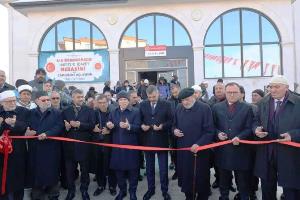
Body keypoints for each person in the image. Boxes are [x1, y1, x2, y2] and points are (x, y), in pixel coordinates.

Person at [254, 75, 300, 200]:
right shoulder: (263, 102)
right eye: (271, 87)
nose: (272, 90)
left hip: (290, 154)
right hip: (267, 152)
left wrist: (293, 135)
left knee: (291, 189)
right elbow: (255, 121)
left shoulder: (298, 102)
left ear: (286, 88)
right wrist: (256, 129)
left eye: (277, 87)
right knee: (267, 187)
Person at [212, 82, 254, 200]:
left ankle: (244, 196)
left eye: (234, 92)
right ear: (225, 93)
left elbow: (249, 128)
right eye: (229, 92)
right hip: (223, 152)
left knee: (242, 182)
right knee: (224, 181)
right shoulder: (216, 107)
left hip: (241, 151)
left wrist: (240, 137)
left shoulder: (247, 108)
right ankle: (224, 196)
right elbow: (212, 126)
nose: (231, 95)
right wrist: (218, 133)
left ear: (240, 93)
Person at [173, 88, 214, 200]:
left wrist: (199, 144)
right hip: (183, 151)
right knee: (186, 177)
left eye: (187, 99)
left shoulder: (205, 108)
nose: (185, 102)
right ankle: (188, 196)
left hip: (199, 151)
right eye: (182, 100)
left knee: (200, 178)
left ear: (194, 96)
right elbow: (174, 125)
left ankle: (202, 196)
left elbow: (210, 131)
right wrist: (175, 131)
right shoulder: (179, 108)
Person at [27, 91, 64, 200]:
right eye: (44, 100)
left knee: (52, 170)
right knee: (36, 170)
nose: (47, 102)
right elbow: (26, 126)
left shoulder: (57, 112)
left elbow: (59, 126)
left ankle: (53, 193)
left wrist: (47, 134)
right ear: (37, 101)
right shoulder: (31, 113)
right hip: (36, 148)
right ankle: (37, 193)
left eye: (48, 99)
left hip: (51, 147)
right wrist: (27, 132)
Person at [140, 85, 173, 200]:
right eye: (149, 97)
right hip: (147, 141)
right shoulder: (142, 104)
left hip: (161, 141)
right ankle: (150, 189)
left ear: (158, 93)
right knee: (149, 169)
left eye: (154, 97)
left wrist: (162, 126)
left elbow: (171, 121)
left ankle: (165, 191)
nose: (152, 99)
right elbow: (140, 119)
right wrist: (142, 125)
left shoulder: (167, 104)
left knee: (163, 170)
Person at [106, 91, 141, 200]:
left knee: (133, 172)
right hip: (117, 147)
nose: (123, 101)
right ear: (118, 101)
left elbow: (138, 127)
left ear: (129, 100)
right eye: (121, 99)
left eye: (125, 99)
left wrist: (129, 126)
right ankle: (122, 191)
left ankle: (132, 192)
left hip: (131, 147)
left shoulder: (135, 112)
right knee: (119, 171)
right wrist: (109, 125)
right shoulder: (113, 111)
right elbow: (109, 123)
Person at [62, 89, 95, 200]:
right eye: (78, 97)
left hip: (84, 146)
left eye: (82, 96)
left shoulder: (89, 110)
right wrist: (66, 128)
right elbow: (61, 127)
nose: (81, 99)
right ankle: (71, 191)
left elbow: (91, 125)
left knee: (85, 171)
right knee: (70, 171)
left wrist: (80, 124)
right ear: (72, 98)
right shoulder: (65, 111)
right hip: (69, 147)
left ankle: (84, 190)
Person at [0, 90, 29, 200]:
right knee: (3, 177)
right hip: (2, 152)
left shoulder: (23, 111)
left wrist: (13, 124)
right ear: (2, 103)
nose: (12, 103)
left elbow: (24, 126)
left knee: (18, 177)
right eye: (8, 101)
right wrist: (4, 124)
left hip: (18, 150)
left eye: (13, 100)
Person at [92, 94, 117, 197]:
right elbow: (89, 124)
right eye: (100, 103)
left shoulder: (113, 113)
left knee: (111, 165)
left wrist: (110, 130)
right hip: (97, 143)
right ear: (97, 103)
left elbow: (118, 126)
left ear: (108, 102)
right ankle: (100, 185)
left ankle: (112, 186)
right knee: (99, 165)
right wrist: (93, 128)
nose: (102, 105)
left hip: (109, 143)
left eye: (104, 102)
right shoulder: (93, 113)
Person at [167, 84, 181, 180]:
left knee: (183, 153)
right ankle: (177, 171)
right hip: (172, 132)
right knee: (174, 152)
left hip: (184, 131)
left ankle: (184, 171)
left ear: (179, 90)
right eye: (173, 92)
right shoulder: (168, 102)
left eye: (176, 92)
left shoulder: (184, 99)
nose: (174, 94)